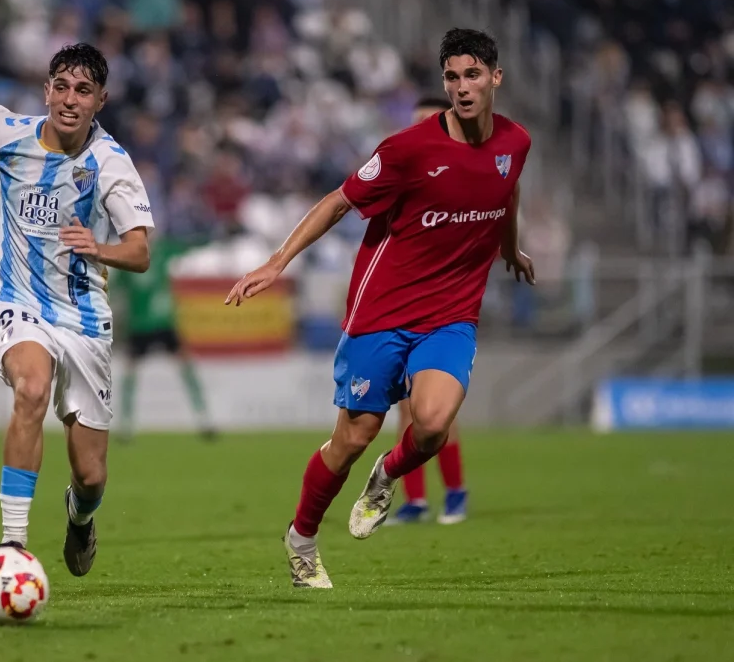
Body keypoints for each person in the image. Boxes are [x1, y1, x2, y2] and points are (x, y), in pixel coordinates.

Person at [226, 29, 535, 588]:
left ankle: (388, 476)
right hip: (382, 314)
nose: (462, 88)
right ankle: (301, 538)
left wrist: (510, 247)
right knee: (351, 437)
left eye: (472, 75)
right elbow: (338, 202)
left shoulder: (516, 143)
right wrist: (277, 262)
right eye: (451, 77)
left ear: (495, 77)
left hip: (452, 315)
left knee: (435, 424)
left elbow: (507, 190)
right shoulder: (407, 150)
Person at [0, 43, 154, 577]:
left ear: (101, 100)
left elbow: (141, 251)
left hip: (82, 315)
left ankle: (80, 519)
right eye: (61, 87)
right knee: (30, 388)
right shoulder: (12, 133)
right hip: (14, 296)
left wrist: (99, 249)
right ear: (46, 90)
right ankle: (12, 545)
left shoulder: (111, 165)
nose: (69, 100)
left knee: (92, 475)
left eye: (83, 91)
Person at [387, 95, 467, 526]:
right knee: (405, 410)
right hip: (400, 308)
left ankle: (455, 492)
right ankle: (416, 500)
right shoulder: (401, 179)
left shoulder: (460, 180)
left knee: (436, 412)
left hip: (444, 311)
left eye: (428, 122)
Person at [115, 231, 216, 442]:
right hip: (139, 325)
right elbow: (115, 290)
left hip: (163, 322)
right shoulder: (126, 260)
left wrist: (210, 238)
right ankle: (125, 426)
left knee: (185, 367)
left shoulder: (162, 252)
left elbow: (190, 246)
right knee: (130, 374)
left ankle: (204, 420)